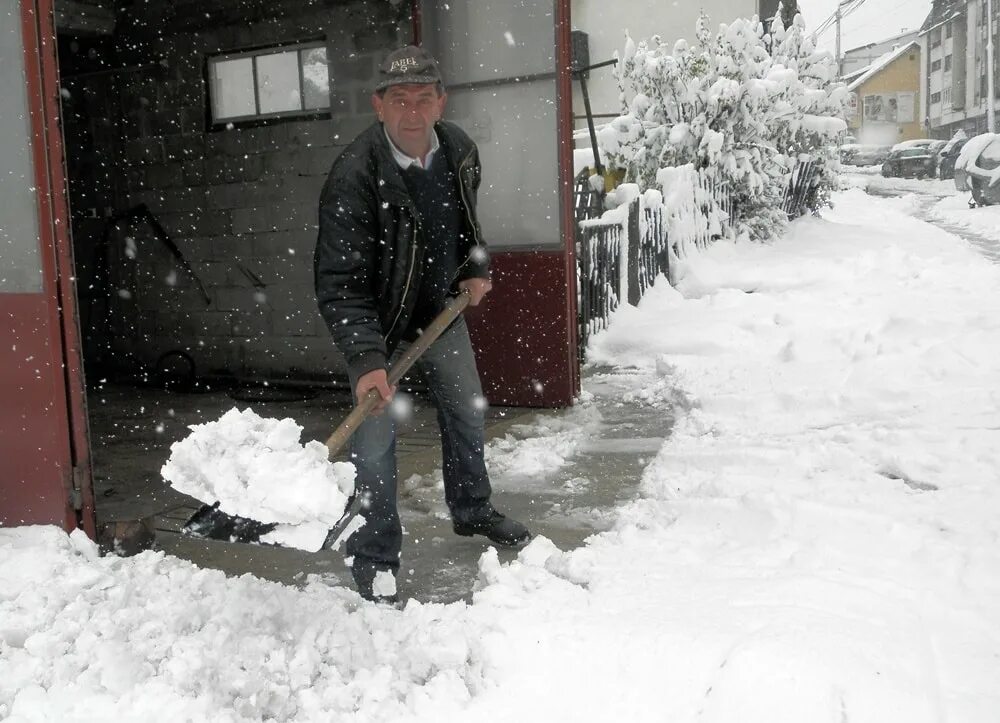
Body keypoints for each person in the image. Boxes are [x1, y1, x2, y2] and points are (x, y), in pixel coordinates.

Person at [314, 45, 531, 603]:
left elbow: (467, 224)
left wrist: (475, 270)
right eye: (398, 99)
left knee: (466, 408)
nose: (412, 111)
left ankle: (472, 508)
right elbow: (340, 282)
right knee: (376, 446)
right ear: (378, 106)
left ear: (440, 101)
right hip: (379, 329)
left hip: (439, 313)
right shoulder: (354, 176)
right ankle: (376, 554)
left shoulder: (458, 149)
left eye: (422, 98)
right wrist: (367, 362)